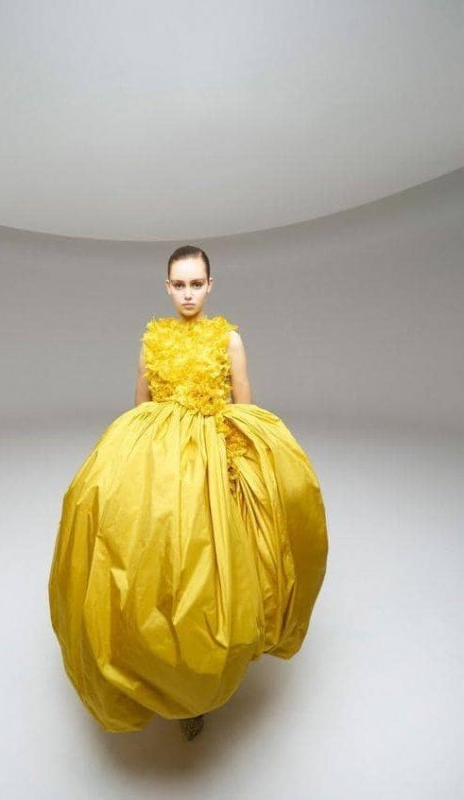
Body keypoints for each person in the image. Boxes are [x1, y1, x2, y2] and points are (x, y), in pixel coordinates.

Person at [48, 245, 328, 742]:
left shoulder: (229, 339)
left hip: (209, 458)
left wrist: (236, 466)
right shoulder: (152, 340)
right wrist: (133, 466)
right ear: (167, 287)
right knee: (144, 557)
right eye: (179, 285)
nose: (188, 294)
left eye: (196, 284)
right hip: (158, 458)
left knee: (204, 571)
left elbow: (245, 409)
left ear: (210, 285)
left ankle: (197, 685)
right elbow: (139, 406)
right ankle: (152, 672)